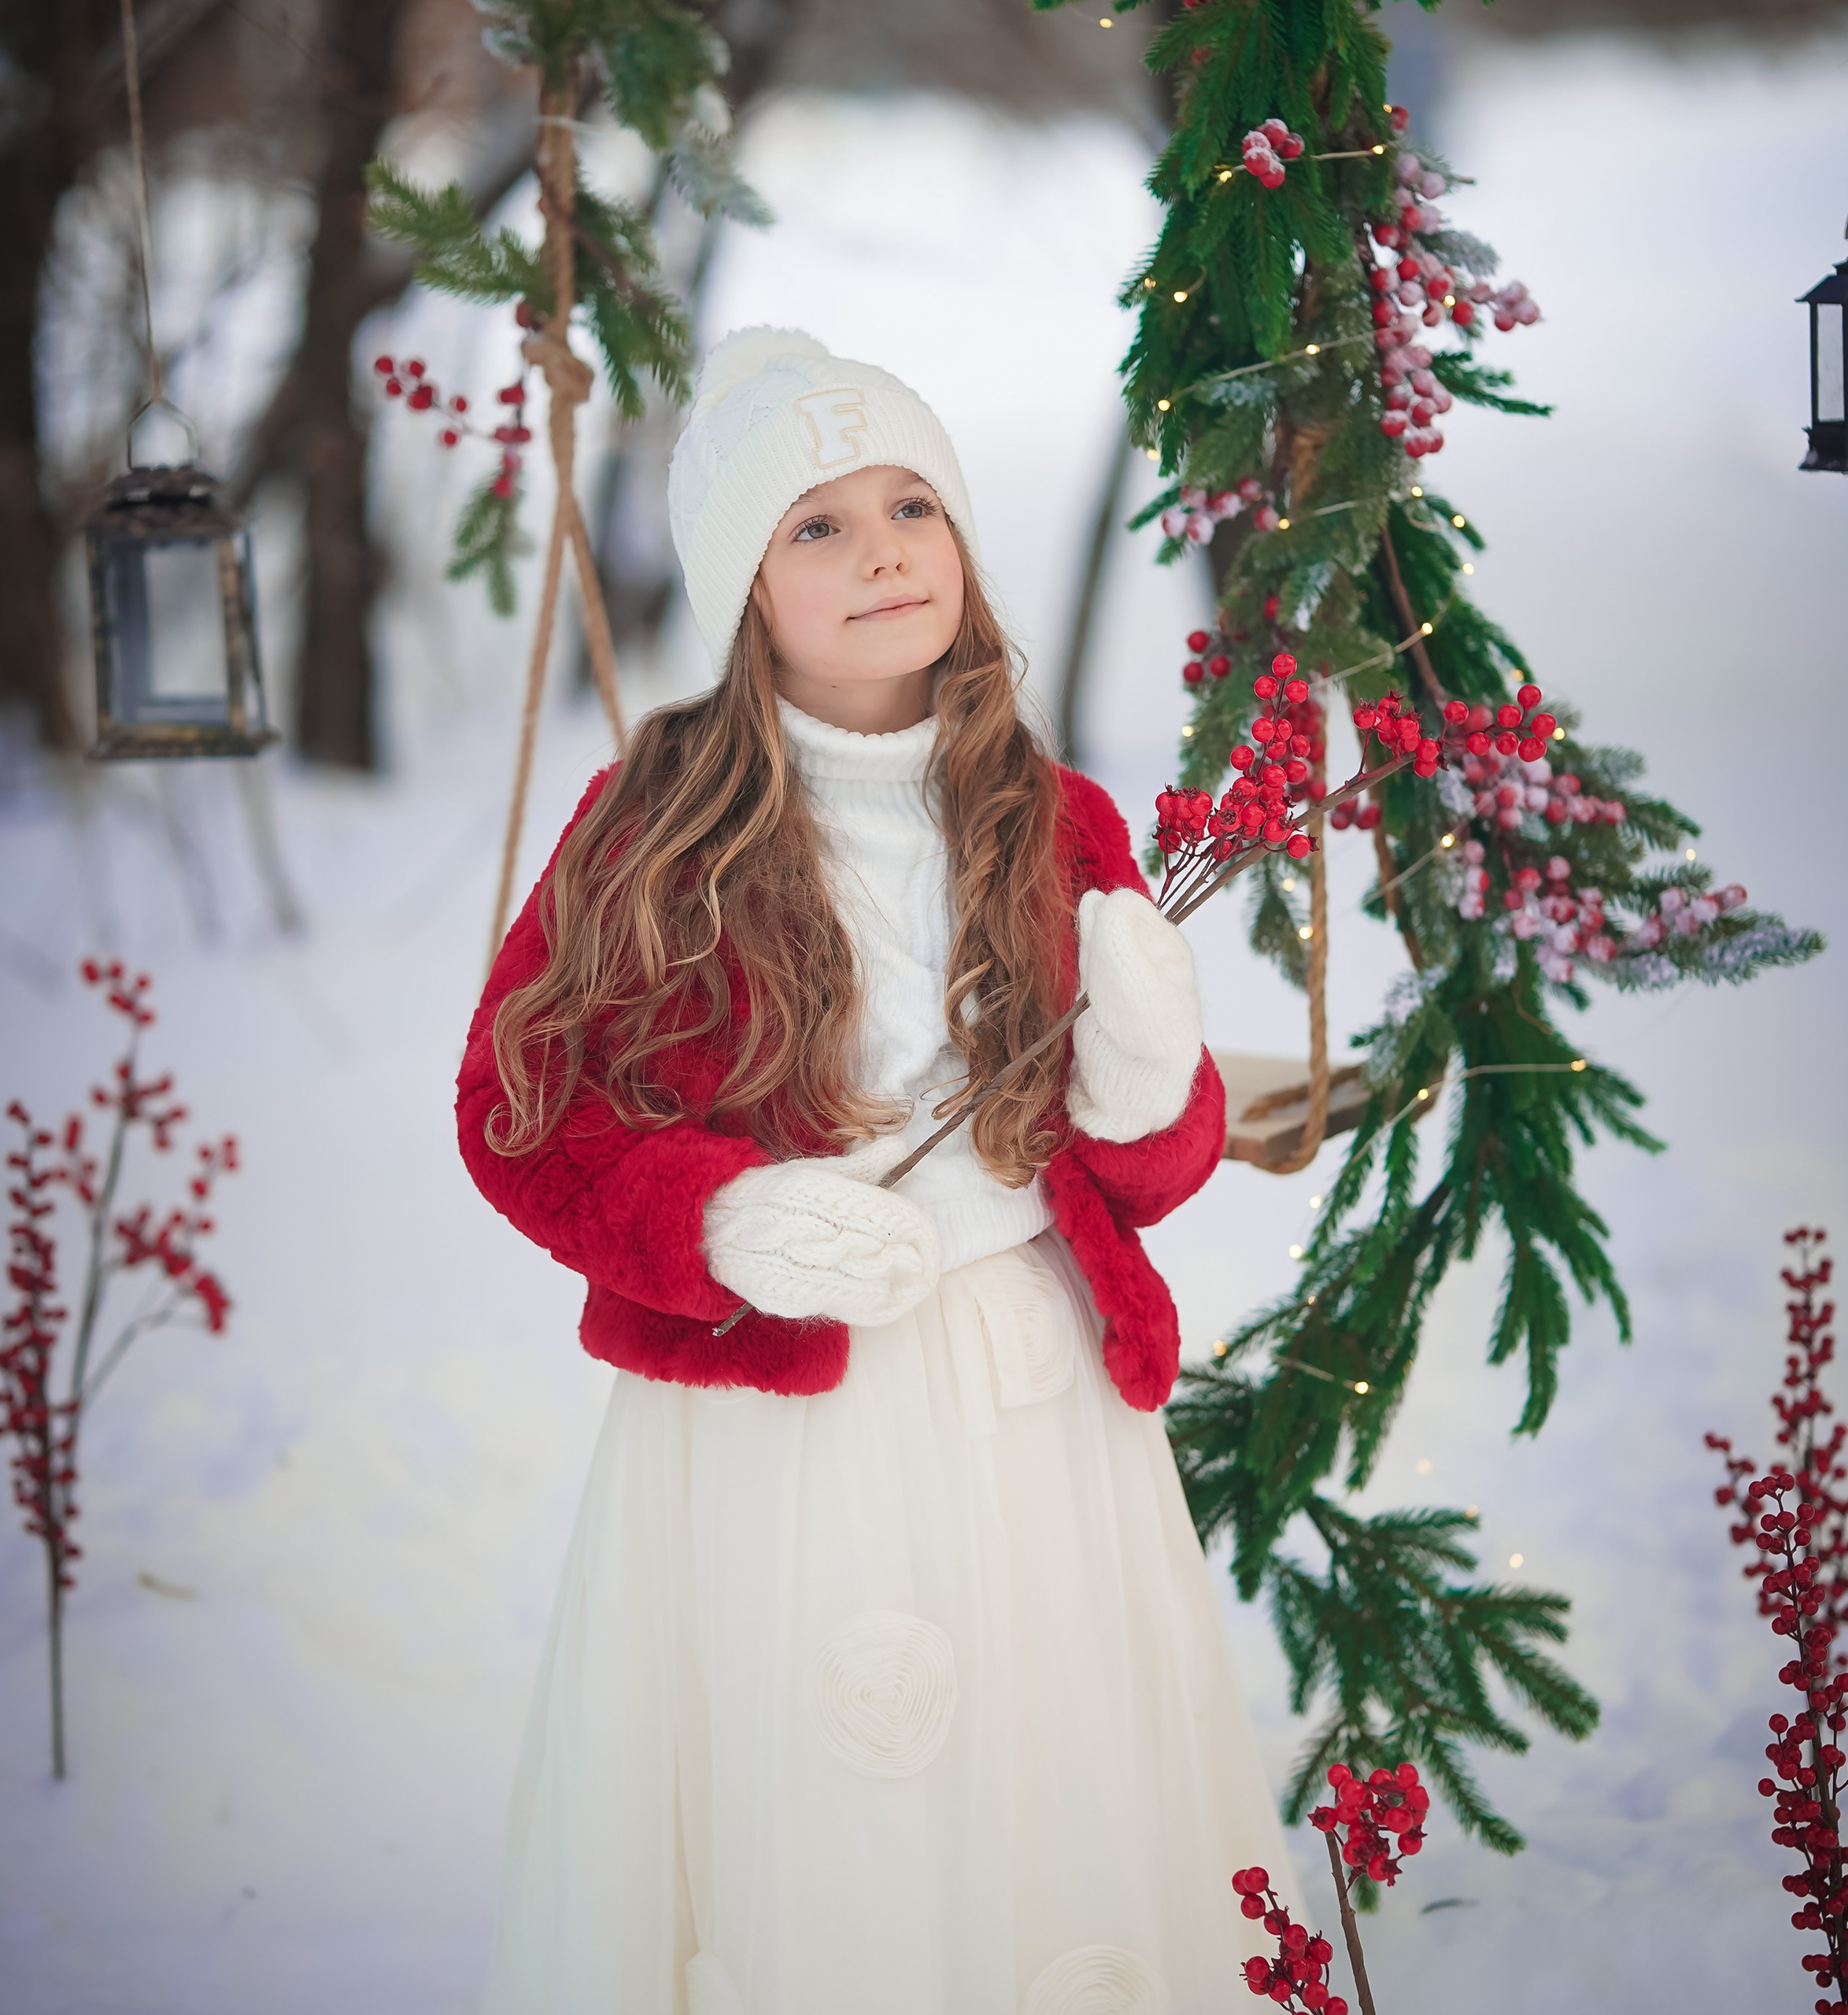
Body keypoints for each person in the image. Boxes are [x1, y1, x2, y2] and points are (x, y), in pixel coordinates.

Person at [456, 327, 1297, 2015]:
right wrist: (720, 1215)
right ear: (740, 587)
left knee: (1048, 1784)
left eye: (912, 502)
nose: (882, 550)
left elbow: (1143, 1166)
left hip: (1033, 1393)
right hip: (789, 1421)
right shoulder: (654, 826)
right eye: (814, 525)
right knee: (836, 1801)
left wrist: (1142, 1081)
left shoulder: (1055, 818)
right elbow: (519, 1105)